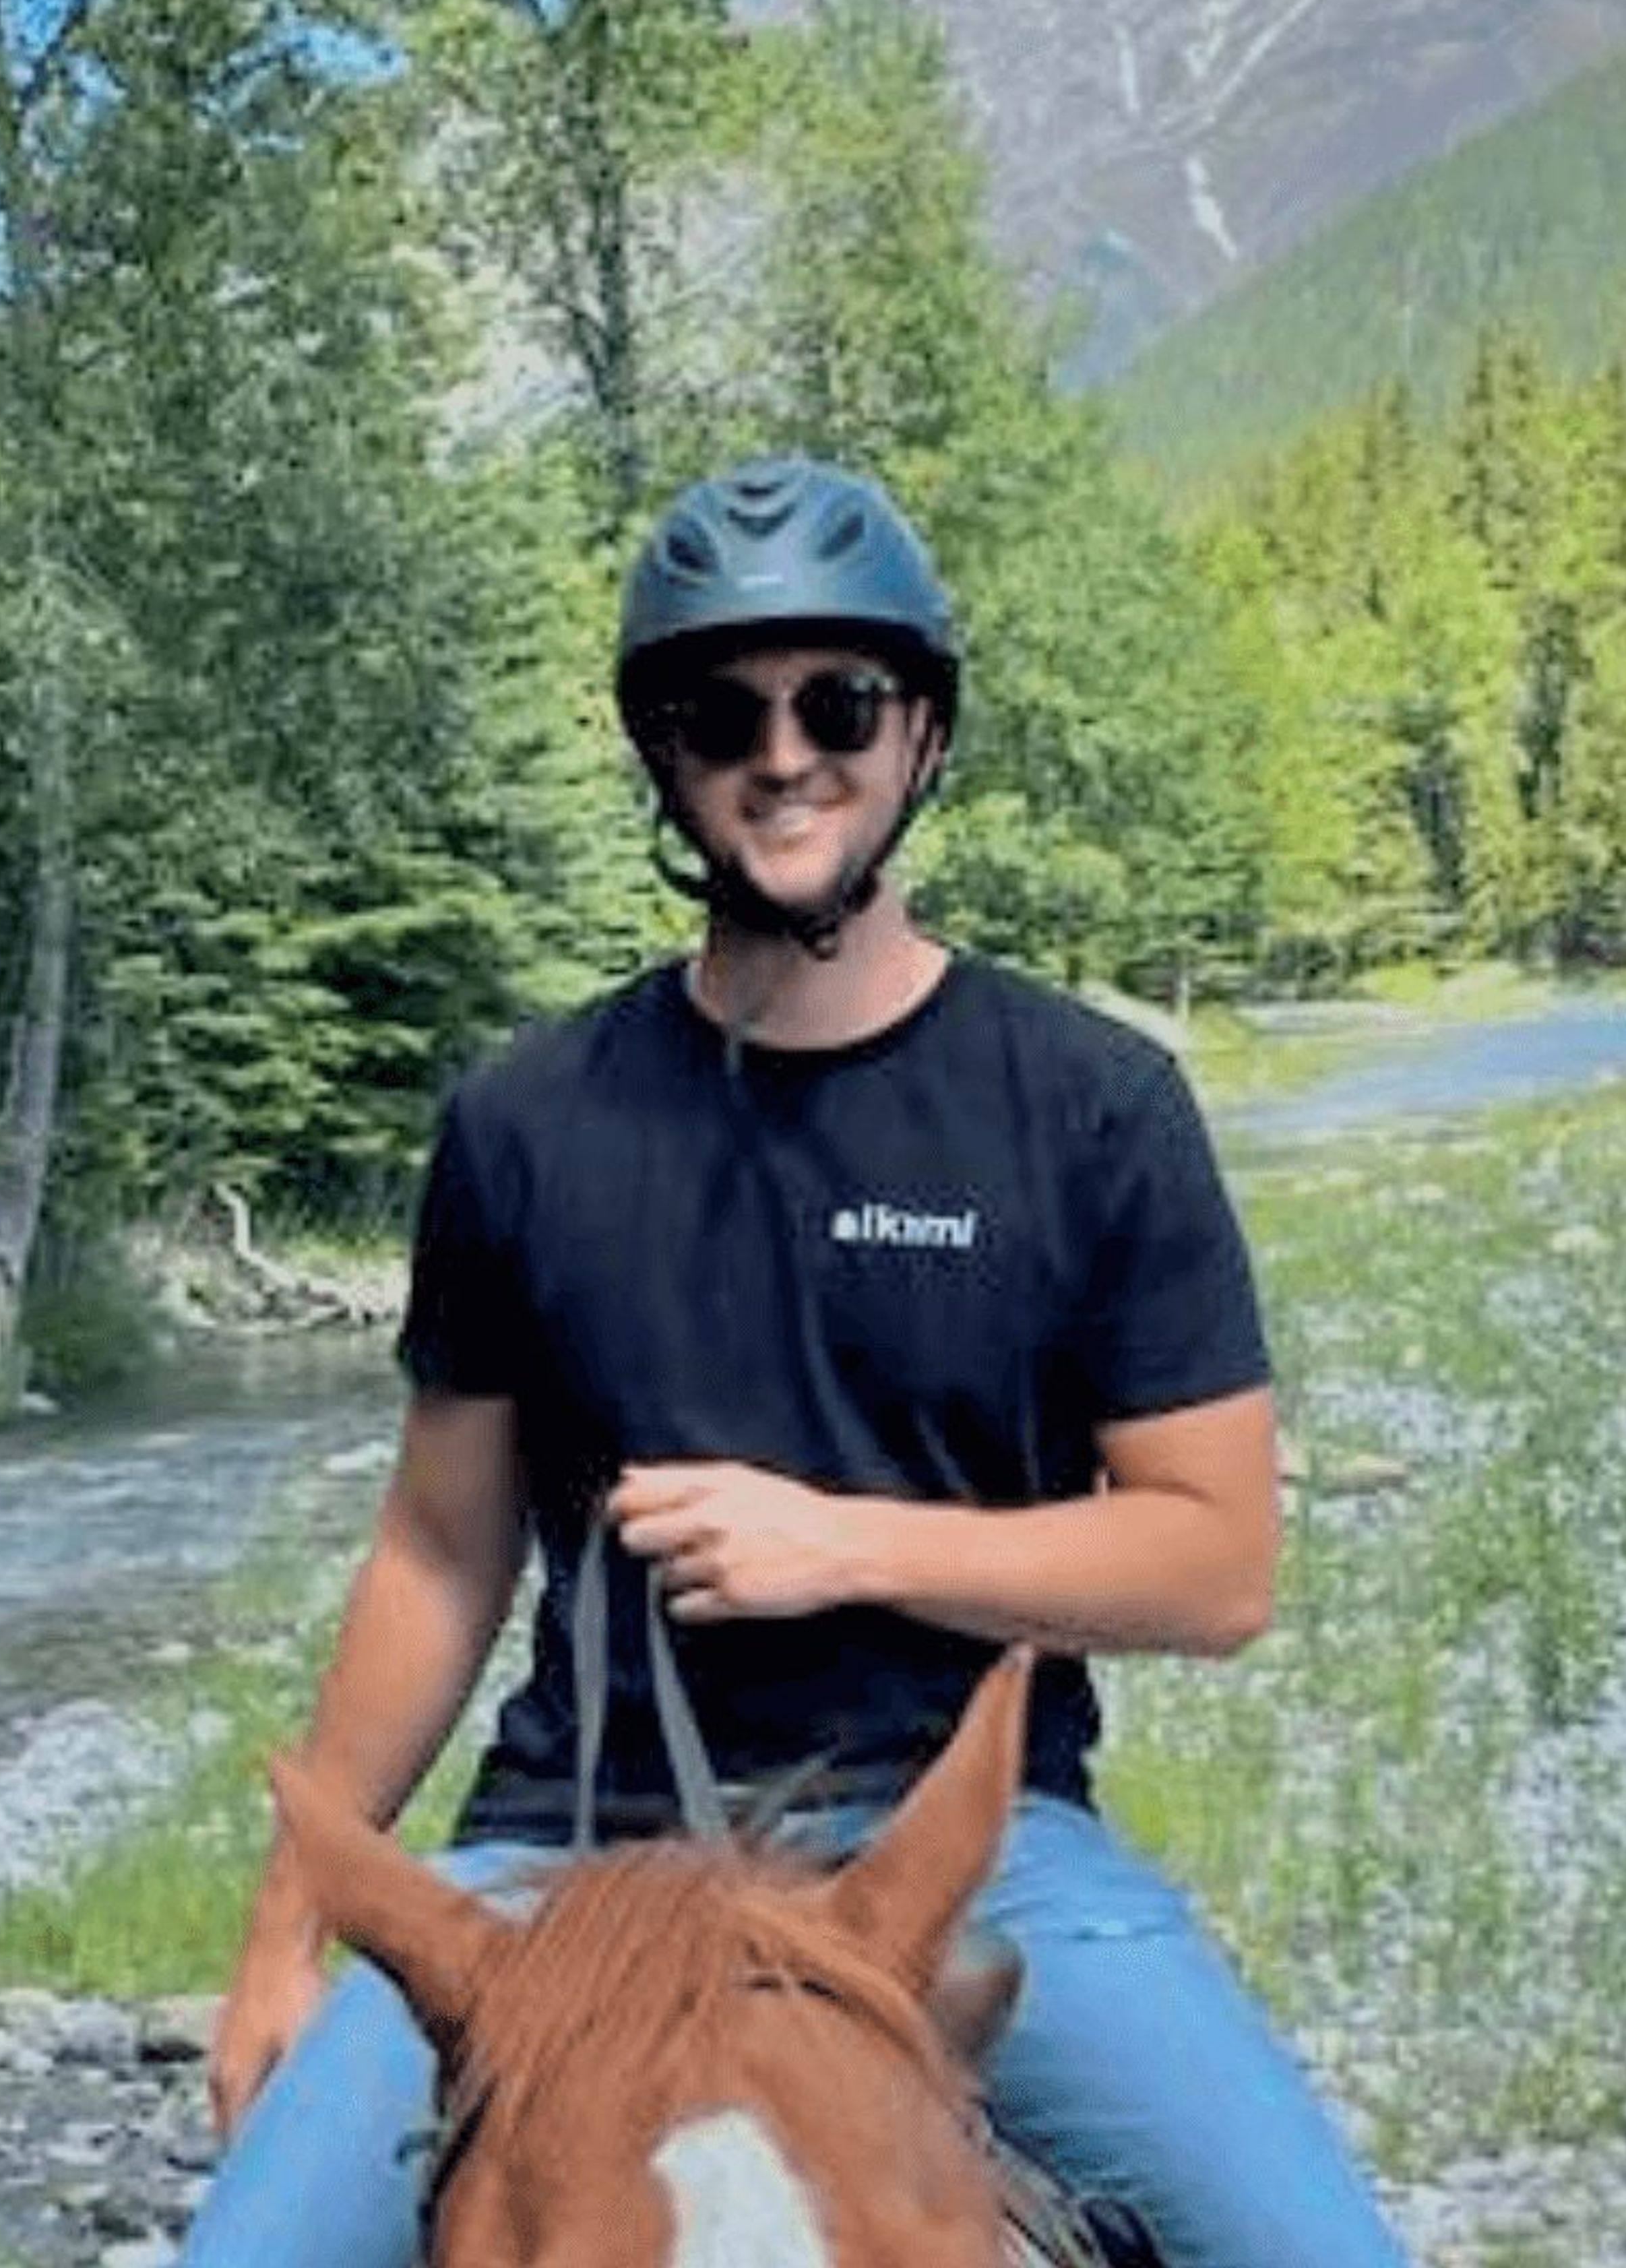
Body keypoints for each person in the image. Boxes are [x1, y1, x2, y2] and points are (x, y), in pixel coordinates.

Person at [183, 458, 1409, 2268]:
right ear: (663, 756)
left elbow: (1215, 1562)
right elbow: (441, 1551)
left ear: (919, 733)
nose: (783, 756)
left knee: (1321, 2257)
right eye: (722, 715)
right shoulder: (528, 1124)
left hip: (960, 1849)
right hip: (569, 1853)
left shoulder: (1090, 1110)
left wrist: (846, 1544)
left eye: (837, 703)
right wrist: (290, 1921)